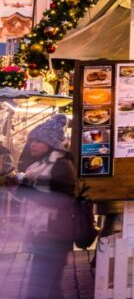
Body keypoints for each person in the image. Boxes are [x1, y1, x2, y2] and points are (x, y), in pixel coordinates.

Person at [9, 114, 75, 299]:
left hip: (54, 234)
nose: (32, 145)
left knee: (38, 289)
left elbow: (60, 199)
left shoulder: (60, 165)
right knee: (50, 288)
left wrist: (26, 190)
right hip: (44, 234)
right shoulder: (39, 166)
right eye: (32, 141)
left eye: (38, 141)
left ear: (51, 143)